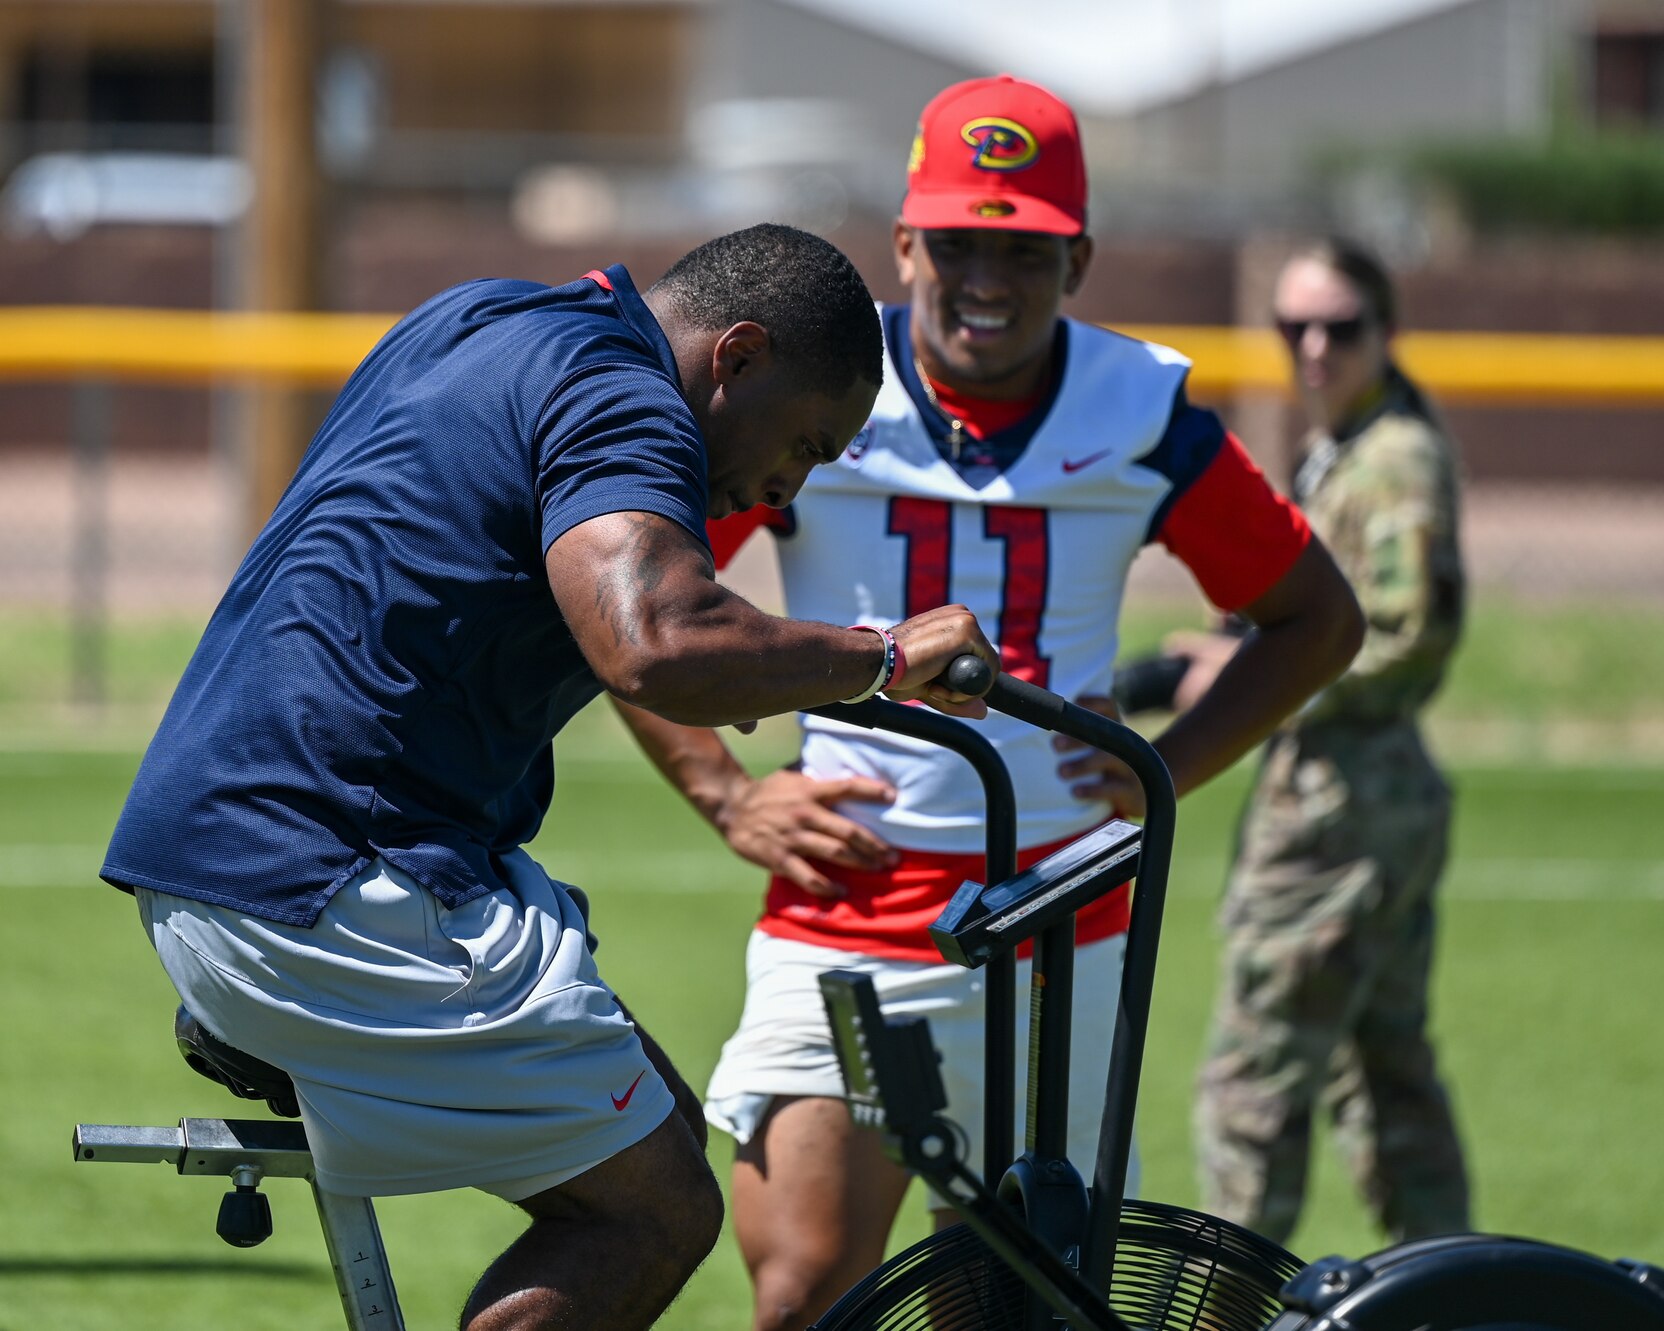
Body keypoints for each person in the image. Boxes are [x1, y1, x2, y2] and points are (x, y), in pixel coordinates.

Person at [99, 223, 999, 1331]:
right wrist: (880, 659)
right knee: (650, 1213)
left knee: (661, 1132)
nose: (784, 482)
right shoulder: (626, 399)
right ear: (738, 356)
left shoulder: (485, 315)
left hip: (213, 854)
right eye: (807, 441)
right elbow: (652, 640)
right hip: (325, 878)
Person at [614, 76, 1364, 1331]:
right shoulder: (815, 386)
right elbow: (635, 606)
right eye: (958, 240)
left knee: (1015, 1304)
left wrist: (1163, 764)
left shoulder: (1138, 416)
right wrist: (725, 792)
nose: (985, 277)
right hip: (846, 903)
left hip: (1057, 913)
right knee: (803, 1287)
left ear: (1075, 254)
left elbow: (1316, 617)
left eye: (1017, 247)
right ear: (905, 242)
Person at [1173, 237, 1474, 1246]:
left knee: (1251, 1087)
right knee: (1385, 1077)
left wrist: (1258, 680)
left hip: (1341, 809)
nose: (1312, 347)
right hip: (1362, 799)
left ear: (1384, 331)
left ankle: (1222, 1309)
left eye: (1337, 327)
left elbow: (1405, 638)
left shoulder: (1391, 458)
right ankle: (1461, 1310)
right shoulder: (1347, 440)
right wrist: (1226, 654)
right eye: (1291, 327)